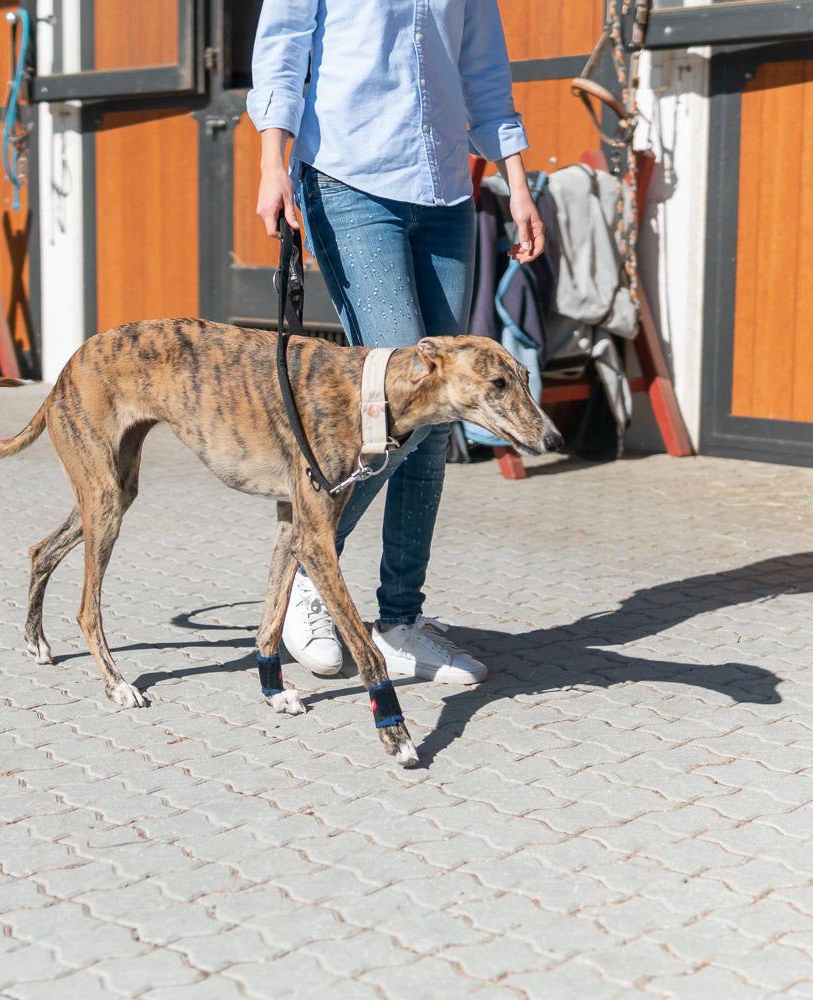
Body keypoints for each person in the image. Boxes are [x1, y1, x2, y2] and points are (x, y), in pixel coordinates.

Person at [247, 0, 544, 685]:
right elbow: (283, 48)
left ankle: (401, 622)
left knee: (436, 423)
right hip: (349, 181)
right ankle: (307, 577)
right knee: (397, 409)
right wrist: (272, 163)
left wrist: (517, 183)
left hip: (444, 195)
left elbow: (485, 75)